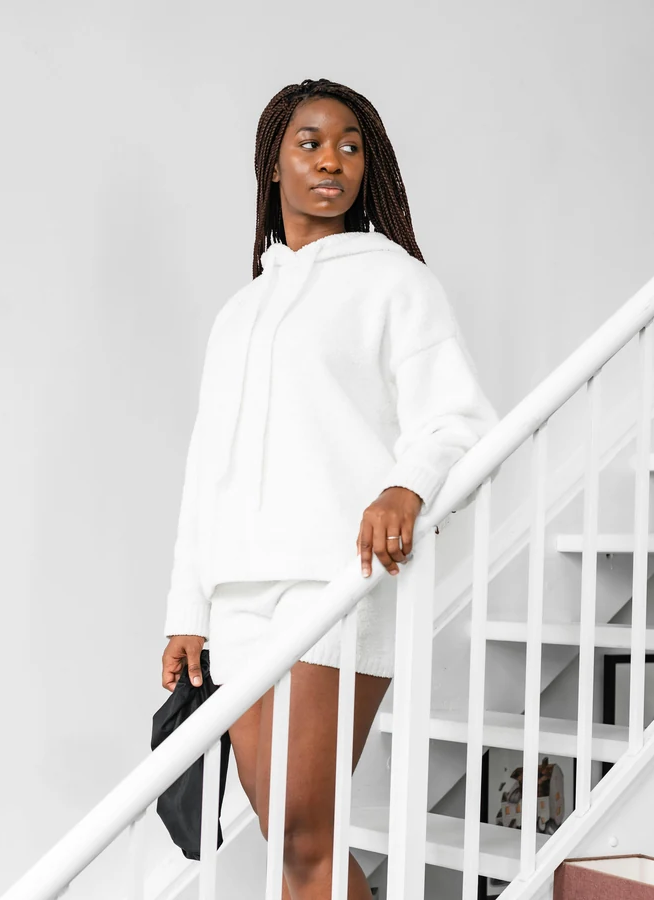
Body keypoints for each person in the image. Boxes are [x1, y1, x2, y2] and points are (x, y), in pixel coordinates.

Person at [159, 78, 500, 900]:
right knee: (292, 841)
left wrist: (404, 490)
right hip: (238, 598)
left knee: (306, 834)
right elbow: (207, 469)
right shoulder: (239, 312)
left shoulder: (395, 282)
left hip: (336, 583)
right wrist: (186, 612)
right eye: (309, 143)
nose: (332, 162)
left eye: (350, 146)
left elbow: (457, 418)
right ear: (272, 165)